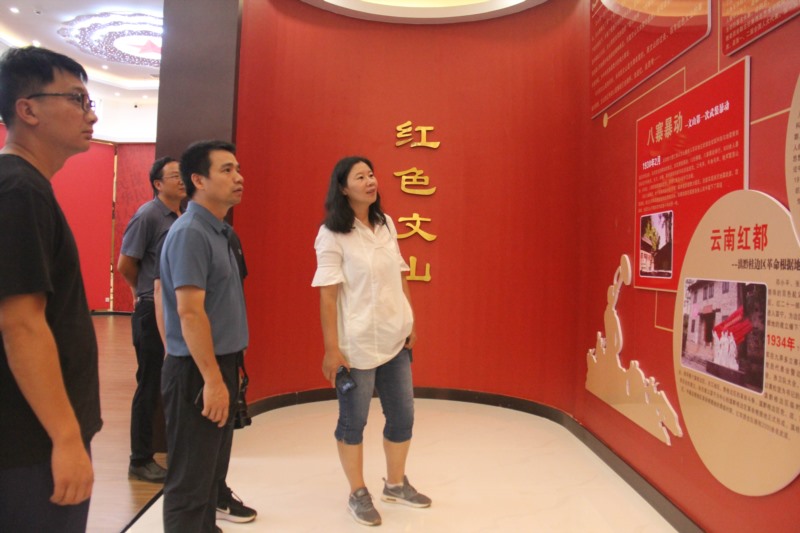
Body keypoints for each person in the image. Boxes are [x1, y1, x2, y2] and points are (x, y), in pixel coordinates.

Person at [0, 46, 102, 532]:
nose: (90, 114)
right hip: (31, 443)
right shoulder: (19, 190)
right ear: (28, 110)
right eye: (77, 100)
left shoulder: (24, 186)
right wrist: (65, 438)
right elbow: (21, 323)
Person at [311, 156, 431, 527]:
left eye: (371, 174)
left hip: (395, 340)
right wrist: (332, 350)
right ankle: (357, 492)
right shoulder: (332, 234)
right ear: (343, 188)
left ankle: (395, 484)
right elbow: (328, 295)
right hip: (356, 346)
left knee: (403, 416)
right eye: (359, 176)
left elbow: (400, 273)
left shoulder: (385, 224)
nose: (370, 181)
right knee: (353, 422)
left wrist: (410, 319)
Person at [159, 140, 251, 532]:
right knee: (190, 482)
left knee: (209, 474)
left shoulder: (220, 231)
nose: (238, 177)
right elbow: (189, 312)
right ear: (198, 180)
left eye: (238, 168)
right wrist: (212, 380)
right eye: (226, 170)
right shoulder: (191, 233)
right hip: (197, 372)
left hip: (218, 365)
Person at [118, 156, 185, 483]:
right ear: (158, 184)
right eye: (174, 176)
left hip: (174, 309)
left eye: (183, 174)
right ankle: (140, 458)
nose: (181, 180)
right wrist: (140, 292)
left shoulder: (182, 216)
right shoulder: (148, 215)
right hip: (150, 309)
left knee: (172, 381)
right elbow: (125, 264)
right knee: (149, 384)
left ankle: (176, 450)